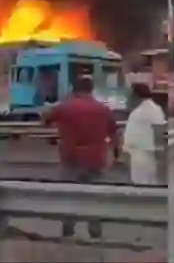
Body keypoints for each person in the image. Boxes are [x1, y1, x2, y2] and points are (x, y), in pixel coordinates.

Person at [43, 75, 119, 239]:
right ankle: (95, 233)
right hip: (96, 160)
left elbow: (45, 118)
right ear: (91, 90)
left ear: (73, 89)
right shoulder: (103, 109)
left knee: (69, 197)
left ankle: (68, 232)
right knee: (95, 198)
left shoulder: (65, 107)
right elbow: (115, 132)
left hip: (71, 159)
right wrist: (116, 153)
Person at [124, 83, 166, 185]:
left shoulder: (145, 111)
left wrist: (159, 150)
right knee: (148, 182)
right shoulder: (152, 109)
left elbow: (158, 130)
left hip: (141, 153)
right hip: (143, 154)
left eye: (131, 95)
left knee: (141, 184)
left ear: (136, 95)